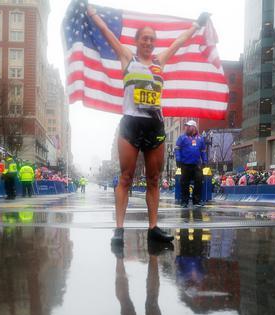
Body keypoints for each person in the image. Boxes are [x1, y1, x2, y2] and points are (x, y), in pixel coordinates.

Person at [88, 5, 210, 246]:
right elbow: (106, 33)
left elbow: (179, 42)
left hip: (154, 126)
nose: (148, 42)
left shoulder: (159, 61)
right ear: (137, 41)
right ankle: (119, 229)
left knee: (154, 179)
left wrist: (197, 24)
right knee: (126, 177)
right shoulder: (127, 58)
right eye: (144, 38)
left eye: (152, 39)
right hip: (130, 125)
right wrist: (91, 12)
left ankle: (153, 227)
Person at [175, 120, 207, 207]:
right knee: (184, 183)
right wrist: (178, 159)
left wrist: (204, 161)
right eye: (186, 126)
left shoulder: (200, 139)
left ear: (194, 128)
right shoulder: (182, 137)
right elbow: (177, 149)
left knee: (199, 182)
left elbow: (203, 151)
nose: (187, 128)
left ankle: (196, 201)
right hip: (185, 164)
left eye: (189, 126)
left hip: (197, 165)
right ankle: (184, 201)